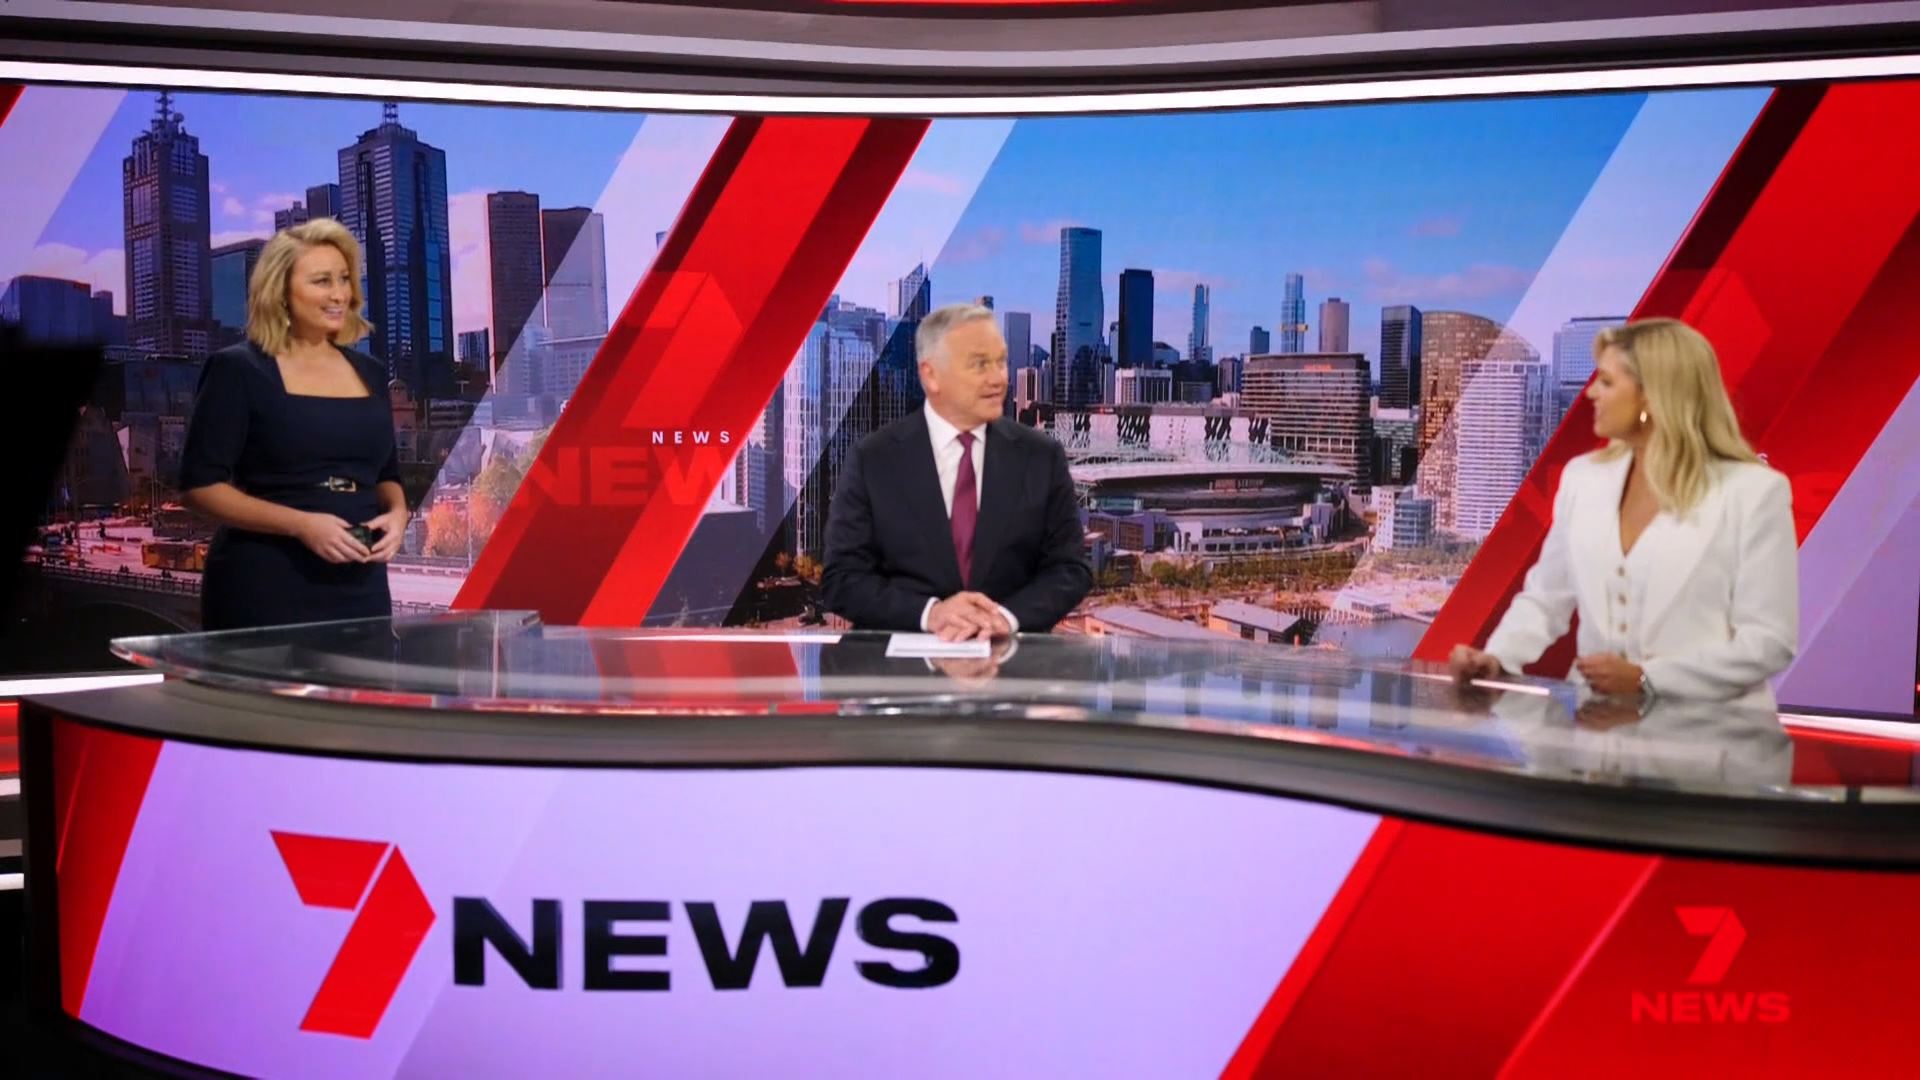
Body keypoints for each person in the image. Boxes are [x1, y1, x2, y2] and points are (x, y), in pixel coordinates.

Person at [1449, 317, 1797, 711]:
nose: (1591, 392)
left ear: (1652, 395)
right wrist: (1497, 657)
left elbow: (1769, 641)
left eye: (1607, 382)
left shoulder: (1753, 492)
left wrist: (1649, 679)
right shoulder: (1583, 479)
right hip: (1595, 724)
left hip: (1711, 732)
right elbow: (1546, 597)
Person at [178, 218, 408, 631]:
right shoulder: (239, 369)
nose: (340, 294)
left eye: (344, 279)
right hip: (267, 584)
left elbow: (385, 474)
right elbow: (199, 487)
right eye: (322, 281)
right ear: (280, 292)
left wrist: (398, 512)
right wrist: (302, 524)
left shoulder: (371, 372)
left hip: (362, 586)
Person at [823, 302, 1092, 640]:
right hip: (902, 664)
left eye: (1001, 362)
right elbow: (842, 580)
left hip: (1011, 661)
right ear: (930, 375)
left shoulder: (1042, 457)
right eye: (979, 364)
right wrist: (931, 614)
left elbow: (1070, 570)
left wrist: (1006, 618)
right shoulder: (873, 459)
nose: (999, 379)